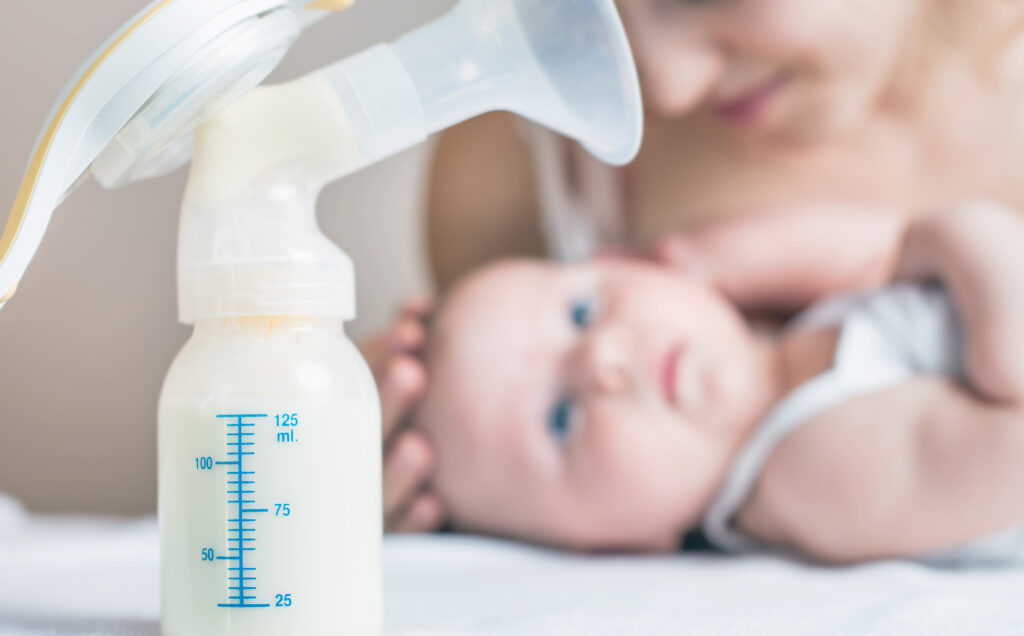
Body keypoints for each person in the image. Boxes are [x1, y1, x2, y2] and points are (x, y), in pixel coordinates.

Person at [373, 0, 1024, 531]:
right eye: (604, 10)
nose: (668, 86)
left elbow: (891, 261)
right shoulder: (518, 164)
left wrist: (930, 242)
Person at [411, 203, 1024, 564]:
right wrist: (957, 229)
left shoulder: (797, 342)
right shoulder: (807, 473)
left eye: (581, 315)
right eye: (562, 421)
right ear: (621, 546)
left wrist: (718, 258)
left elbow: (884, 248)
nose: (601, 360)